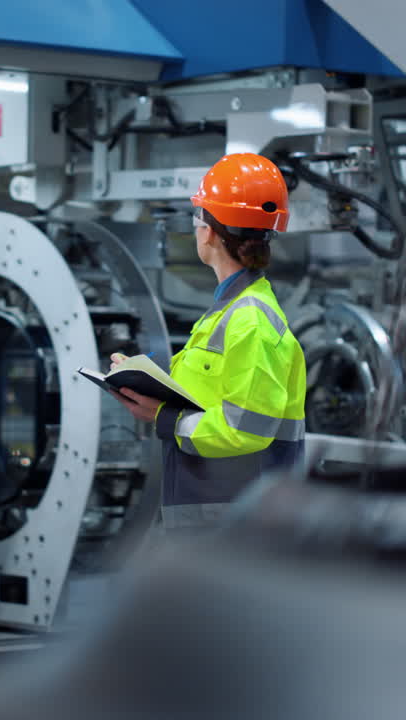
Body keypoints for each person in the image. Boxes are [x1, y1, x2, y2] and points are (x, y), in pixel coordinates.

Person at [110, 153, 307, 530]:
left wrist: (162, 417)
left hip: (238, 529)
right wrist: (140, 378)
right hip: (211, 516)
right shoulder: (227, 313)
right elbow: (209, 399)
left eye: (197, 217)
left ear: (210, 232)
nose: (196, 228)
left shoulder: (249, 321)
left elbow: (244, 428)